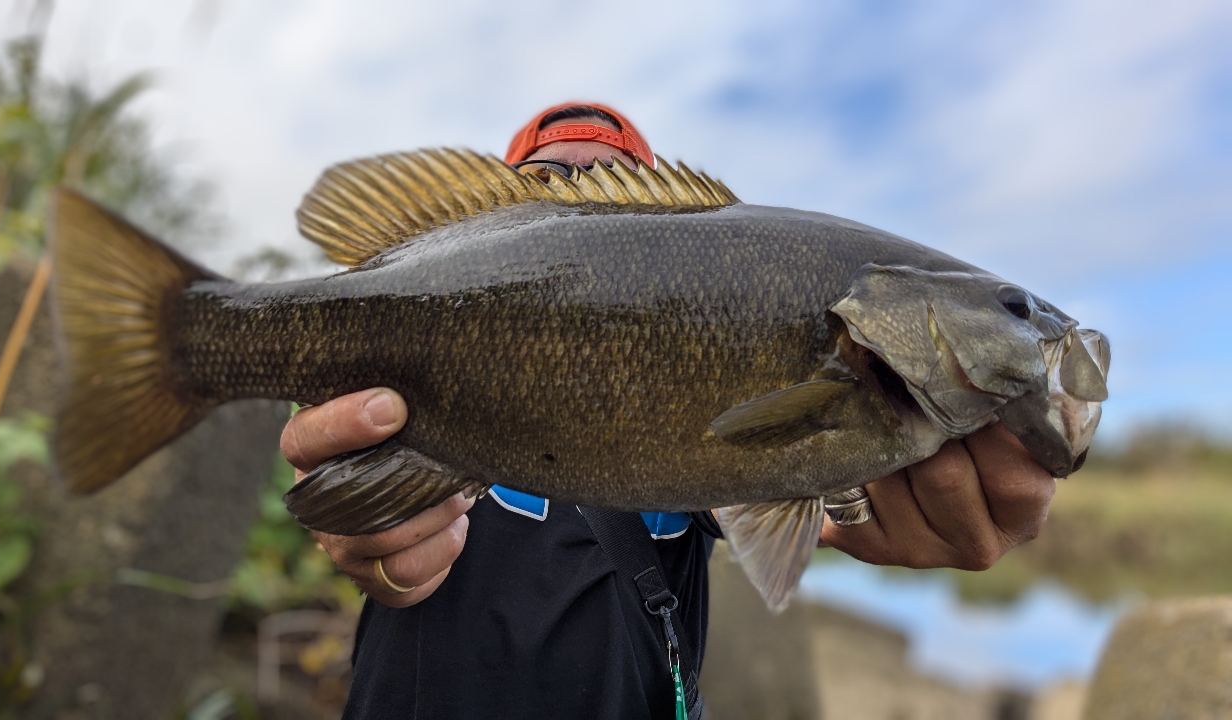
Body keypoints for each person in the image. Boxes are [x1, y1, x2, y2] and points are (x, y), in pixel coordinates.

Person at [279, 103, 1057, 719]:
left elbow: (813, 510)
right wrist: (361, 518)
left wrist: (874, 497)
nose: (581, 198)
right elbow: (344, 478)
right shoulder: (391, 354)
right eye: (549, 185)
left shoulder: (729, 459)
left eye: (612, 186)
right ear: (483, 227)